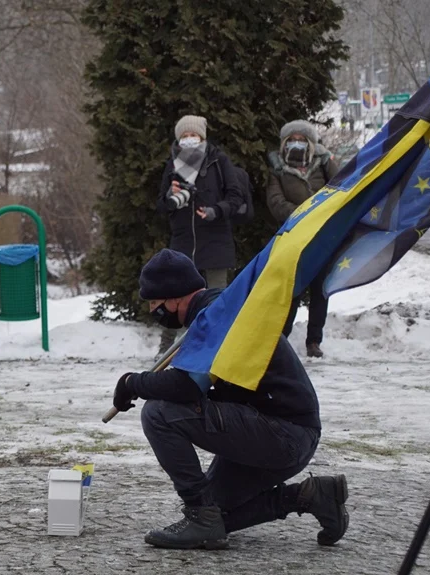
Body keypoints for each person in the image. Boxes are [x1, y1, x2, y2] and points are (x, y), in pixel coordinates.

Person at [112, 248, 349, 549]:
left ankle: (199, 514)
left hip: (284, 432)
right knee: (219, 514)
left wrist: (132, 383)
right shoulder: (216, 312)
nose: (152, 311)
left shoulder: (217, 318)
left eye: (154, 303)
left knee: (159, 413)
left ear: (173, 297)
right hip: (284, 433)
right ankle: (311, 495)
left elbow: (185, 387)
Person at [155, 115, 244, 355]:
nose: (189, 139)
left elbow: (236, 197)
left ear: (202, 137)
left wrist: (216, 211)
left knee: (217, 299)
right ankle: (168, 348)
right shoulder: (172, 164)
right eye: (184, 136)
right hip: (184, 239)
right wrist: (171, 197)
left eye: (193, 135)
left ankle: (219, 349)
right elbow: (161, 206)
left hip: (216, 239)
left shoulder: (218, 160)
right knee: (175, 295)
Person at [266, 120, 340, 358]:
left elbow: (340, 189)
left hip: (322, 237)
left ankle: (314, 341)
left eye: (301, 139)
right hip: (293, 238)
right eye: (292, 139)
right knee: (292, 291)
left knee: (320, 291)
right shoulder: (277, 168)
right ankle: (282, 339)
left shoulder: (324, 164)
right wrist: (303, 214)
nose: (296, 143)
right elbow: (276, 202)